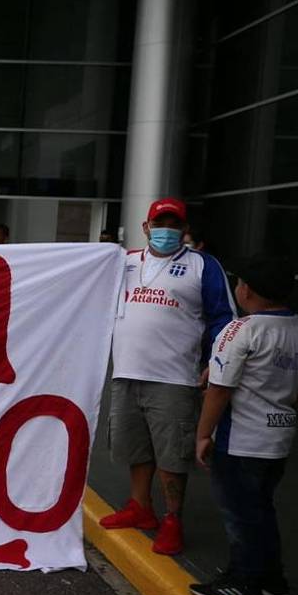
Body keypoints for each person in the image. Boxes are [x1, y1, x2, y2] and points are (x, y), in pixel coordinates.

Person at [99, 197, 235, 555]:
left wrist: (215, 361)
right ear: (146, 227)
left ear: (184, 230)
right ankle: (140, 506)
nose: (166, 232)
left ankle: (173, 518)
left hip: (175, 377)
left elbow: (223, 318)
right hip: (127, 371)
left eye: (174, 225)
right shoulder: (123, 262)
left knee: (173, 453)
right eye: (159, 225)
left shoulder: (202, 266)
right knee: (136, 445)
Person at [191, 257, 298, 595]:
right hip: (278, 440)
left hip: (241, 441)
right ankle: (273, 581)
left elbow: (220, 390)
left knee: (239, 513)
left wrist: (203, 435)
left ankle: (243, 582)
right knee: (261, 509)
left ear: (246, 289)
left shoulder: (240, 330)